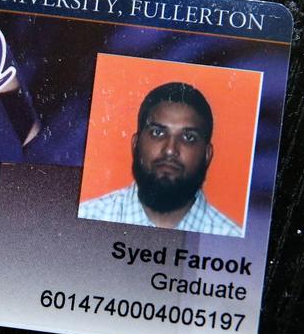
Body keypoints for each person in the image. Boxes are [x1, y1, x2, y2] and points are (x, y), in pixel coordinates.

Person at [78, 82, 242, 237]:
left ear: (207, 155)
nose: (170, 150)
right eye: (157, 133)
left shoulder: (233, 239)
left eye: (188, 137)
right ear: (135, 144)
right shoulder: (86, 217)